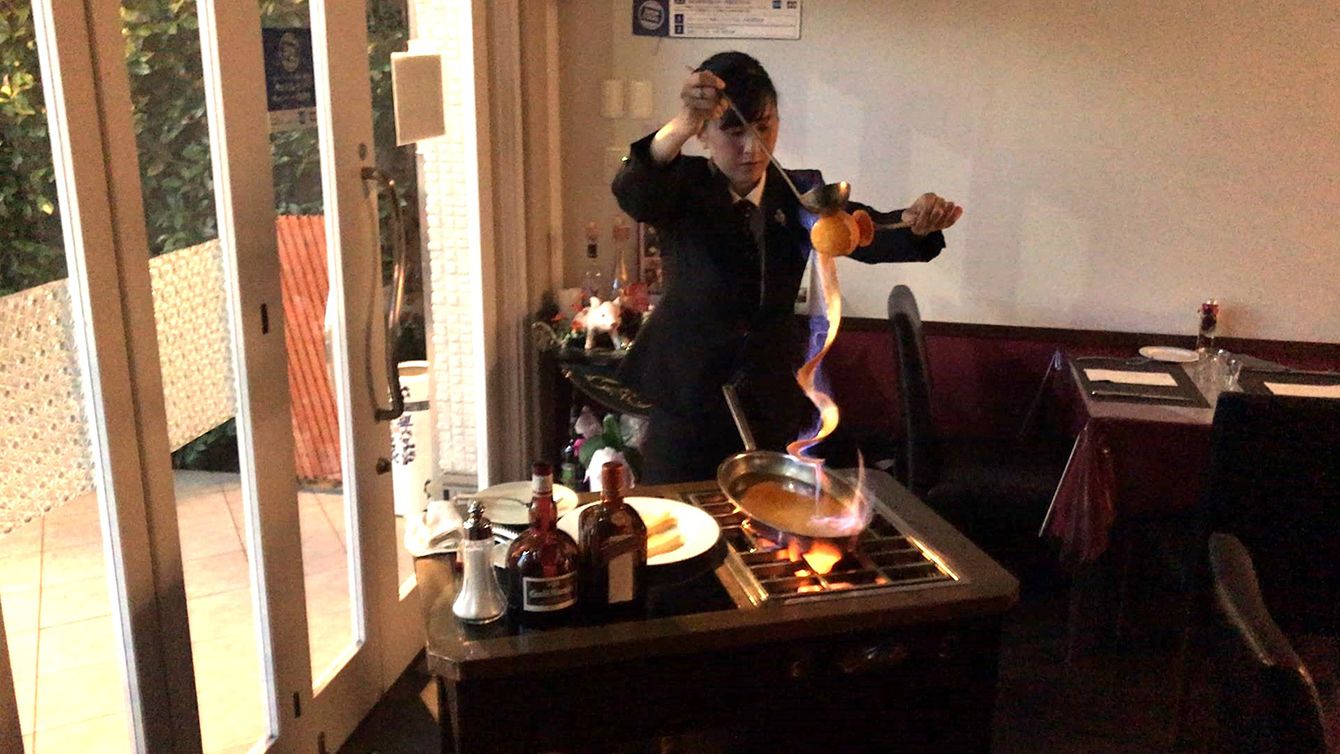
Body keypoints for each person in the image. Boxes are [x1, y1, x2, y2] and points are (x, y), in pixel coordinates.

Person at [611, 51, 963, 484]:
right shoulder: (682, 186)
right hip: (686, 398)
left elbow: (861, 233)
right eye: (734, 131)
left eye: (763, 127)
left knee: (764, 514)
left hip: (768, 398)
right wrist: (684, 121)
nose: (751, 147)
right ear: (703, 133)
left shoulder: (799, 194)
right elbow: (633, 190)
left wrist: (914, 224)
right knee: (680, 513)